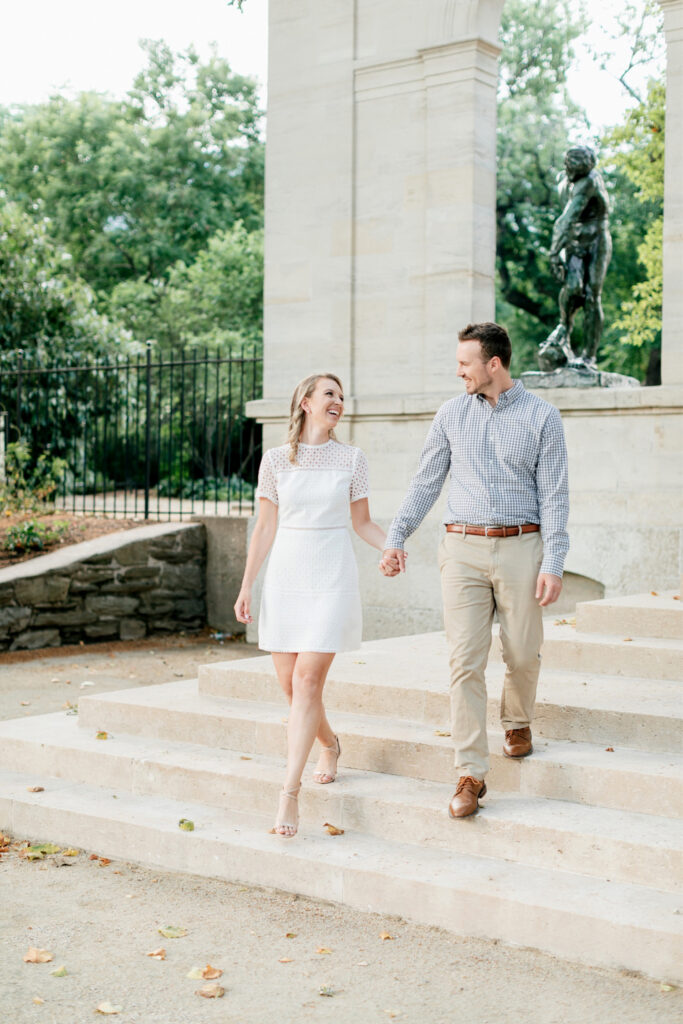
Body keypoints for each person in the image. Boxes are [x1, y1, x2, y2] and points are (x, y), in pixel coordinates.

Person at [381, 322, 569, 818]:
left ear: (494, 364)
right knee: (464, 661)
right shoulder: (450, 414)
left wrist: (554, 561)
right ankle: (470, 773)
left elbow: (554, 497)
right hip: (461, 548)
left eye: (465, 363)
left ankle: (518, 719)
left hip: (521, 546)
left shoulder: (542, 418)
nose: (458, 371)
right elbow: (425, 482)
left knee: (524, 653)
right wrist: (396, 536)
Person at [234, 373, 387, 837]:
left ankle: (288, 794)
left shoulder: (352, 459)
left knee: (307, 679)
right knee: (291, 687)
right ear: (305, 402)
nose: (338, 402)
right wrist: (246, 586)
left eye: (341, 396)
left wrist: (392, 546)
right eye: (329, 395)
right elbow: (263, 528)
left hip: (332, 575)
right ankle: (331, 744)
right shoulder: (276, 460)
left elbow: (362, 522)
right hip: (286, 577)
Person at [540, 145, 612, 371]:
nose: (572, 172)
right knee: (572, 288)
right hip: (573, 241)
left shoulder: (590, 181)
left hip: (596, 239)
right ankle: (564, 328)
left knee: (591, 295)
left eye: (578, 169)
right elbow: (566, 221)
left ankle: (589, 357)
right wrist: (559, 251)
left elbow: (566, 218)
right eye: (570, 167)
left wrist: (553, 252)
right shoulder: (564, 180)